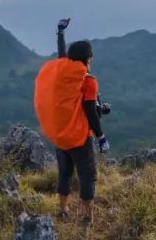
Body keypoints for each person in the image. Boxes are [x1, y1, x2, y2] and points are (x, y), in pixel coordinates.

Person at [33, 17, 110, 223]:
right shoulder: (88, 80)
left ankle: (63, 209)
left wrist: (60, 33)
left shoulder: (63, 73)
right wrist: (101, 137)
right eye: (91, 57)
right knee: (87, 176)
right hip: (78, 137)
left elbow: (61, 56)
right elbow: (90, 112)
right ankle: (87, 217)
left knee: (64, 173)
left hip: (60, 135)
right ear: (87, 58)